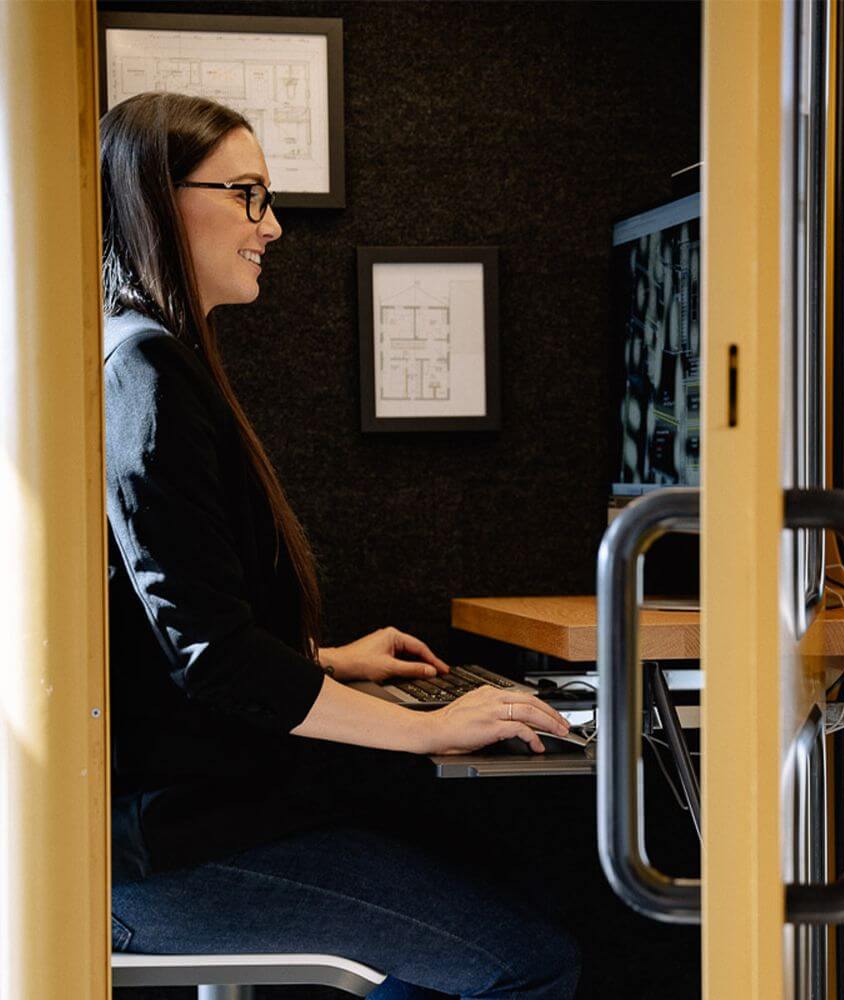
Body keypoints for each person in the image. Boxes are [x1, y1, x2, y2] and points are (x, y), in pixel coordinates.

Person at [102, 91, 580, 1000]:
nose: (272, 226)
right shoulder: (147, 375)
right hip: (166, 859)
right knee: (526, 963)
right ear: (157, 198)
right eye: (247, 195)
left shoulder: (145, 356)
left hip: (191, 819)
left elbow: (166, 631)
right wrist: (425, 727)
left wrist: (326, 660)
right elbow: (213, 660)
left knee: (511, 886)